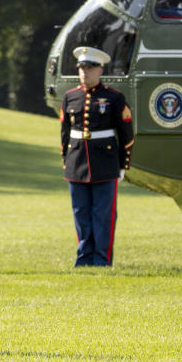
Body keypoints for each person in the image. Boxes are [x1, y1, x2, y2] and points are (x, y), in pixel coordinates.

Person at [60, 46, 134, 267]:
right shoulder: (70, 97)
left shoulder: (114, 98)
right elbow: (65, 133)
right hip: (77, 161)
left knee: (103, 216)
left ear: (101, 70)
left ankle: (102, 259)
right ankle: (84, 258)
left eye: (90, 68)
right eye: (82, 68)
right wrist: (66, 160)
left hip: (105, 163)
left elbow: (126, 134)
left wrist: (123, 164)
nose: (85, 73)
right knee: (81, 214)